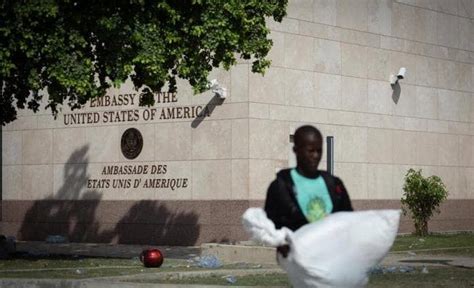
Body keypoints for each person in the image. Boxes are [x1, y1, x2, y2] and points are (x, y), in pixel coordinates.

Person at [264, 125, 353, 233]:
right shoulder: (280, 187)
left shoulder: (334, 184)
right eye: (310, 151)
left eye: (319, 151)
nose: (315, 156)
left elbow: (349, 220)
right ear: (296, 150)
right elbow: (271, 227)